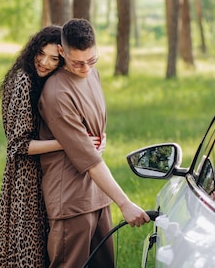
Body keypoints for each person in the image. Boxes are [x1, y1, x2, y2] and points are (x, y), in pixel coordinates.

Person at [38, 18, 150, 268]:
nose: (86, 68)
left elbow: (94, 135)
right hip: (71, 201)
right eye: (77, 62)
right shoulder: (57, 94)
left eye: (92, 60)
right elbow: (88, 158)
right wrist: (125, 203)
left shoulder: (92, 74)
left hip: (98, 194)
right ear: (61, 52)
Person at [0, 25, 103, 268]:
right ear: (32, 50)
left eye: (54, 58)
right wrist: (70, 143)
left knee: (49, 246)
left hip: (47, 171)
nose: (44, 62)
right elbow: (18, 146)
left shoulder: (49, 80)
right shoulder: (23, 80)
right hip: (25, 178)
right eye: (40, 54)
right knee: (28, 251)